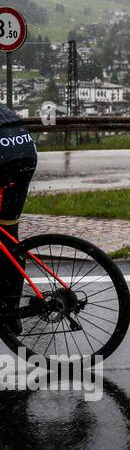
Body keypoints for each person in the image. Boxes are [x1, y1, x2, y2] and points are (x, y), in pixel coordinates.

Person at [0, 104, 38, 333]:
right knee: (8, 234)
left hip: (4, 161)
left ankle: (7, 307)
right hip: (26, 157)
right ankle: (10, 310)